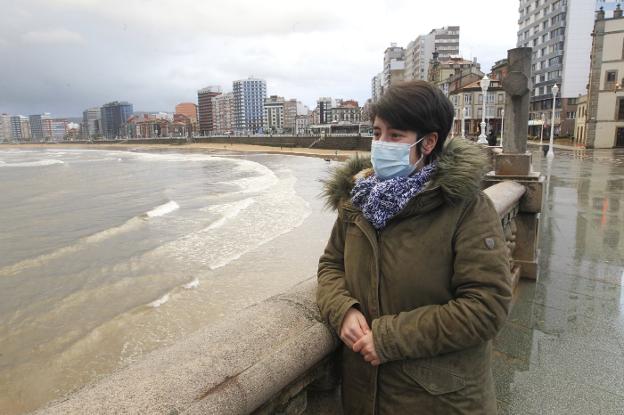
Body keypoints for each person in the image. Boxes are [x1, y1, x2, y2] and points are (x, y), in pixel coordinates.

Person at [317, 80, 512, 414]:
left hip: (440, 398)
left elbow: (486, 306)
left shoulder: (465, 207)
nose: (381, 144)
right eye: (377, 133)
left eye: (395, 136)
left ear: (429, 142)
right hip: (364, 395)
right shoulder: (358, 199)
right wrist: (343, 309)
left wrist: (388, 338)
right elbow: (331, 266)